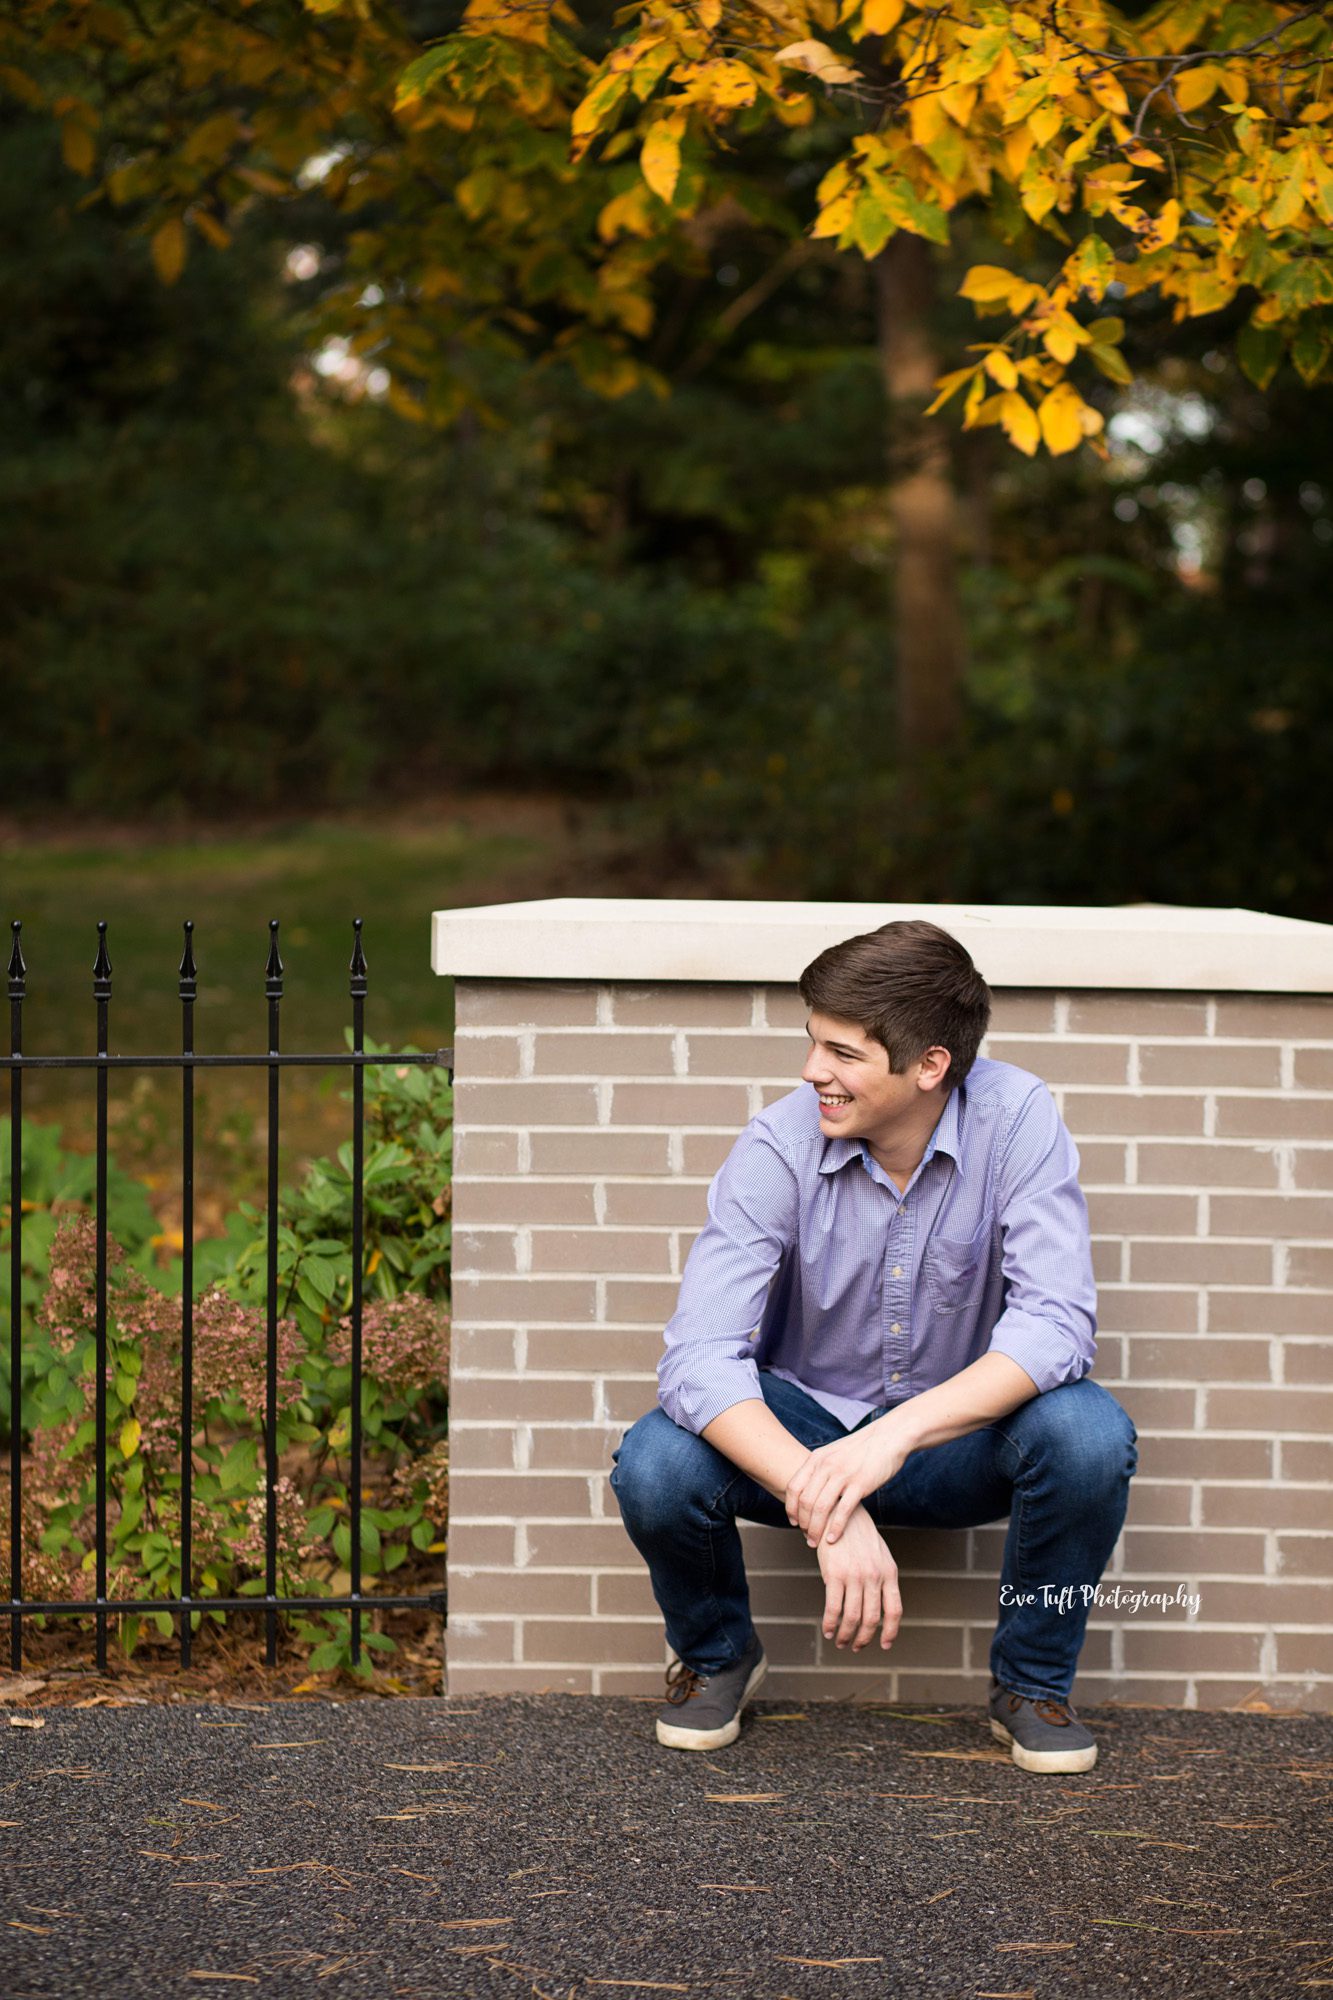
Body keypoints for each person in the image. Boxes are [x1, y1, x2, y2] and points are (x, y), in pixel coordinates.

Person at [609, 918, 1137, 1775]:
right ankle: (716, 1658)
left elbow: (1056, 1323)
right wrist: (827, 1498)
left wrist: (886, 1441)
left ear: (929, 1065)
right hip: (804, 1429)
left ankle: (1030, 1683)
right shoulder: (778, 1143)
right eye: (813, 1042)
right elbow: (698, 1357)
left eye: (842, 1052)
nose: (812, 1070)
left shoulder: (1016, 1119)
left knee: (1086, 1434)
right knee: (655, 1460)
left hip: (953, 1440)